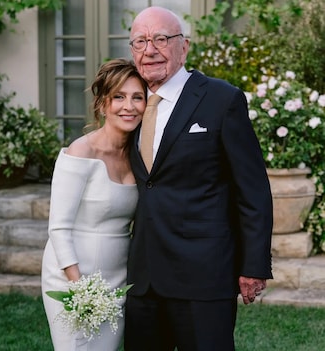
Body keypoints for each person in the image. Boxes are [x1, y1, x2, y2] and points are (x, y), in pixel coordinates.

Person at [124, 6, 273, 351]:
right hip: (143, 278)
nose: (150, 50)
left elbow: (252, 189)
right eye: (140, 42)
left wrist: (254, 265)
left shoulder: (222, 99)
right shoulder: (130, 103)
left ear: (184, 46)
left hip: (204, 276)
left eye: (161, 39)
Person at [41, 58, 147, 351]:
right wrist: (81, 289)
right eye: (119, 97)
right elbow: (59, 227)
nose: (129, 106)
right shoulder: (81, 151)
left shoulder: (141, 155)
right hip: (72, 277)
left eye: (138, 97)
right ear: (102, 103)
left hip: (117, 280)